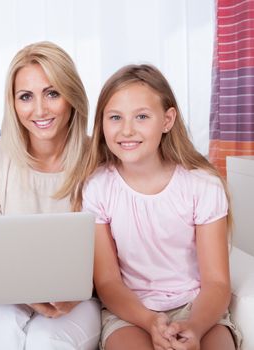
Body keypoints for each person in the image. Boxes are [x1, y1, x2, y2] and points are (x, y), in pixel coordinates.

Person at [64, 64, 242, 350]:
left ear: (167, 120)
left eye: (142, 116)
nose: (126, 130)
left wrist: (194, 327)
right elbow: (108, 282)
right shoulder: (98, 188)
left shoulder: (203, 185)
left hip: (199, 308)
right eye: (115, 117)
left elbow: (217, 282)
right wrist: (149, 321)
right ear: (102, 123)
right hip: (132, 312)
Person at [0, 41, 101, 350]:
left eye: (52, 93)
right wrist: (23, 293)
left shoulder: (99, 157)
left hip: (77, 297)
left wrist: (75, 294)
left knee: (47, 341)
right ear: (13, 103)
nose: (39, 110)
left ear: (72, 96)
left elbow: (113, 251)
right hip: (2, 293)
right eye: (26, 97)